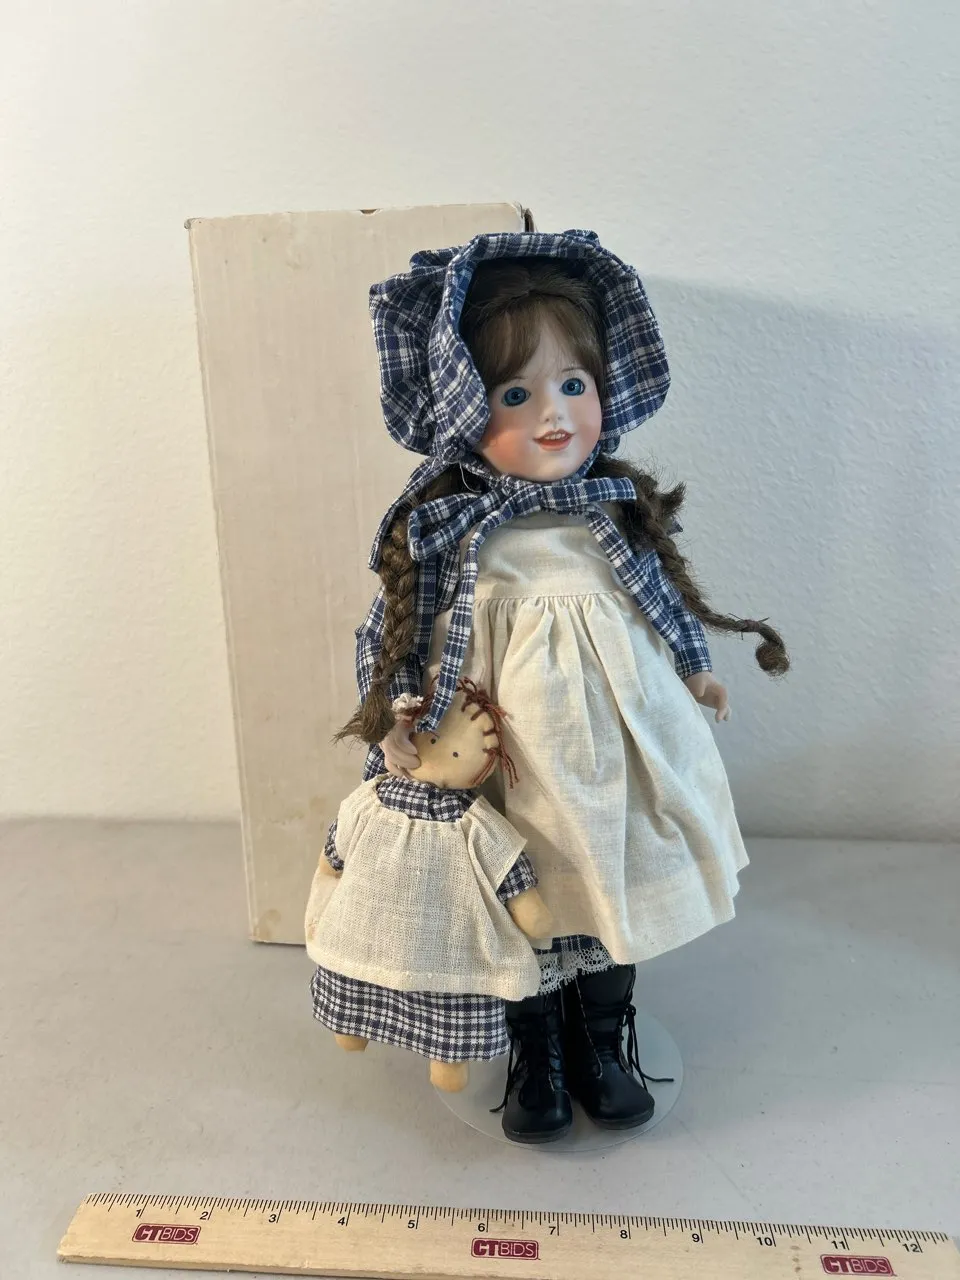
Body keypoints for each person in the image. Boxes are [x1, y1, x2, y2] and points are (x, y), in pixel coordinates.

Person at [334, 229, 789, 1143]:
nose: (553, 415)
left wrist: (695, 668)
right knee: (522, 902)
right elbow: (400, 629)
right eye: (515, 394)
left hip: (612, 754)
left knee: (609, 884)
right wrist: (393, 711)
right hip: (503, 759)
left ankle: (603, 1042)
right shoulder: (452, 527)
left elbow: (659, 596)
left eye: (573, 385)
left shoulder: (608, 513)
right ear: (462, 408)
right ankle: (534, 1048)